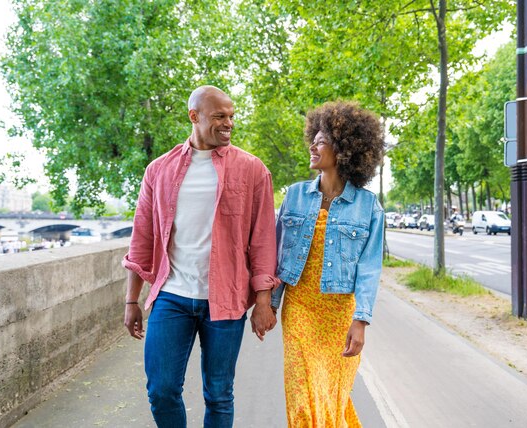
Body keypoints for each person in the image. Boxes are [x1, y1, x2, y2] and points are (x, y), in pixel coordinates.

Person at [122, 85, 279, 428]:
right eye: (219, 117)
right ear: (194, 116)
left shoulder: (253, 170)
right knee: (161, 390)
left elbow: (264, 240)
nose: (229, 124)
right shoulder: (158, 170)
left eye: (232, 116)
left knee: (219, 393)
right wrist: (131, 300)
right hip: (172, 296)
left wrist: (264, 299)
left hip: (226, 300)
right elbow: (142, 237)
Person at [271, 101, 385, 427]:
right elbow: (275, 256)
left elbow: (369, 269)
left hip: (339, 316)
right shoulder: (293, 196)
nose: (313, 145)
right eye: (314, 139)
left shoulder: (368, 207)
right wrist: (268, 304)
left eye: (321, 141)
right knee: (303, 403)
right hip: (300, 310)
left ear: (344, 149)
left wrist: (361, 320)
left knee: (330, 398)